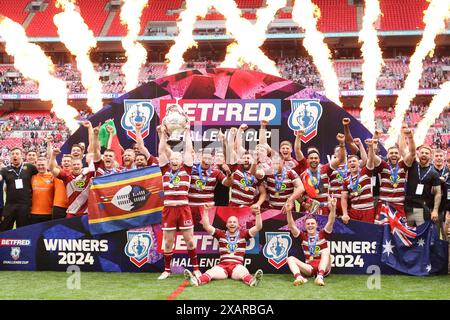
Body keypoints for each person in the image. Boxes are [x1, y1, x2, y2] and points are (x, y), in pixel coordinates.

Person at [157, 124, 200, 280]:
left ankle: (196, 269)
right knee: (168, 242)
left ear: (182, 161)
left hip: (183, 208)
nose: (174, 160)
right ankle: (167, 270)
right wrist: (163, 134)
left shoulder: (186, 170)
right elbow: (161, 151)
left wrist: (187, 132)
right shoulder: (165, 170)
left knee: (189, 240)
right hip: (168, 209)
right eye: (172, 158)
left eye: (177, 158)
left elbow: (188, 150)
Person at [184, 204, 263, 287]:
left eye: (234, 222)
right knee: (211, 272)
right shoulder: (221, 234)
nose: (232, 224)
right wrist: (206, 211)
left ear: (238, 225)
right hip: (222, 266)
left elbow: (258, 227)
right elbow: (206, 226)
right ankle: (195, 281)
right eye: (230, 222)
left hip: (236, 266)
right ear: (226, 225)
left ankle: (253, 281)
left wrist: (258, 213)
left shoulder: (244, 234)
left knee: (243, 271)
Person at [285, 196, 337, 286]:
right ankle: (299, 278)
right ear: (305, 226)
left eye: (312, 223)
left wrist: (333, 209)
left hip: (324, 267)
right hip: (309, 268)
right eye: (308, 224)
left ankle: (320, 277)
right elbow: (292, 226)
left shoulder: (322, 234)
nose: (310, 225)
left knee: (326, 251)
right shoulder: (303, 236)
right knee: (290, 259)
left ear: (316, 225)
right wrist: (289, 211)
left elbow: (331, 221)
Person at [373, 127, 416, 218]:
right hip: (384, 205)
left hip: (398, 205)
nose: (394, 155)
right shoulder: (383, 165)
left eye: (396, 153)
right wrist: (375, 138)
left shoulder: (403, 165)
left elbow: (412, 153)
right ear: (387, 155)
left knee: (399, 231)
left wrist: (410, 137)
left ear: (400, 155)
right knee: (382, 230)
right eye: (391, 153)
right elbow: (372, 155)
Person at [298, 133, 346, 215]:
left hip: (324, 209)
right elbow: (297, 194)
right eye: (311, 158)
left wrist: (341, 144)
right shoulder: (303, 175)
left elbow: (340, 159)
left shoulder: (325, 169)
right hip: (309, 209)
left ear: (319, 159)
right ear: (307, 160)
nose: (314, 160)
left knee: (325, 228)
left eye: (316, 158)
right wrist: (303, 204)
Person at [188, 148, 233, 225]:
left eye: (209, 158)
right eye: (205, 158)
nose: (207, 160)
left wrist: (228, 172)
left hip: (207, 208)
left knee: (207, 232)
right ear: (200, 158)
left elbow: (228, 183)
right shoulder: (191, 169)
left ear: (212, 160)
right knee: (191, 231)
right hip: (192, 207)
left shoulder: (216, 172)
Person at [0, 147, 38, 230]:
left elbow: (43, 172)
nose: (15, 156)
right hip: (10, 205)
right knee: (4, 228)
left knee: (22, 230)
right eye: (12, 154)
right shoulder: (5, 170)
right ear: (10, 156)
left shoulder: (30, 167)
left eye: (17, 154)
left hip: (25, 205)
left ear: (22, 156)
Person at [405, 145, 441, 227]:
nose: (424, 154)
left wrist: (435, 210)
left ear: (431, 156)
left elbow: (438, 193)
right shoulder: (412, 165)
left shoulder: (434, 173)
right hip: (409, 207)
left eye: (426, 153)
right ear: (418, 154)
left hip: (422, 208)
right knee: (409, 233)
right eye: (422, 152)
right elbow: (409, 151)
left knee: (420, 236)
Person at [341, 139, 376, 224]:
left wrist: (370, 147)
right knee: (355, 236)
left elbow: (370, 160)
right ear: (348, 165)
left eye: (354, 161)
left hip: (368, 210)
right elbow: (344, 198)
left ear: (359, 163)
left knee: (368, 235)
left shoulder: (365, 172)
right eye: (349, 162)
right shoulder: (346, 180)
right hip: (354, 211)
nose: (352, 163)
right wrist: (345, 214)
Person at [30, 156, 54, 224]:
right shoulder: (32, 177)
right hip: (34, 213)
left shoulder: (52, 177)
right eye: (39, 165)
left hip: (49, 213)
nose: (40, 167)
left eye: (43, 165)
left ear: (47, 165)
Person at [432, 148, 449, 237]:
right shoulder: (429, 170)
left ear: (444, 157)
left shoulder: (448, 170)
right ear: (433, 157)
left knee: (446, 234)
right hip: (433, 206)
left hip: (446, 207)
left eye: (441, 156)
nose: (439, 158)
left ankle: (446, 251)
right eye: (436, 156)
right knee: (434, 234)